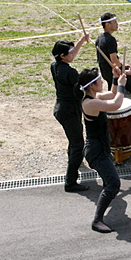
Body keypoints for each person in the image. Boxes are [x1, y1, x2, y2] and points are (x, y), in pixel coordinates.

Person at [76, 66, 128, 232]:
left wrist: (114, 79)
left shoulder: (94, 96)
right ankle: (97, 220)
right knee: (114, 183)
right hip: (96, 151)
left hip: (102, 148)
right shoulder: (90, 103)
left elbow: (112, 95)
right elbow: (116, 103)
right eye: (99, 80)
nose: (101, 81)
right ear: (92, 85)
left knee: (109, 181)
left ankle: (106, 199)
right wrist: (122, 84)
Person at [51, 35, 91, 192]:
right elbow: (85, 87)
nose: (73, 54)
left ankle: (74, 161)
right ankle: (70, 181)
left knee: (73, 138)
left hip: (61, 108)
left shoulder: (55, 65)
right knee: (78, 145)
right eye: (70, 52)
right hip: (69, 111)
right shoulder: (70, 72)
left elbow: (71, 54)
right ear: (63, 56)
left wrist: (81, 40)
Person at [95, 12, 131, 94]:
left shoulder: (99, 38)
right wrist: (123, 70)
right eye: (114, 22)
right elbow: (114, 60)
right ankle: (120, 85)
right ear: (107, 25)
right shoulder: (110, 40)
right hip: (113, 73)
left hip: (105, 72)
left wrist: (123, 67)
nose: (117, 24)